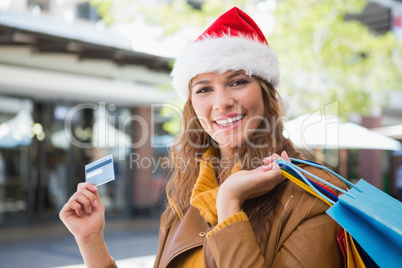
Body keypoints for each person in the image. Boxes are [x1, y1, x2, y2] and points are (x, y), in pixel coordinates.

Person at [59, 7, 346, 268]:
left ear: (266, 93)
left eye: (237, 82)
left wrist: (229, 203)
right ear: (192, 106)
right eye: (204, 89)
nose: (221, 102)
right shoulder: (186, 192)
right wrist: (91, 240)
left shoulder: (311, 197)